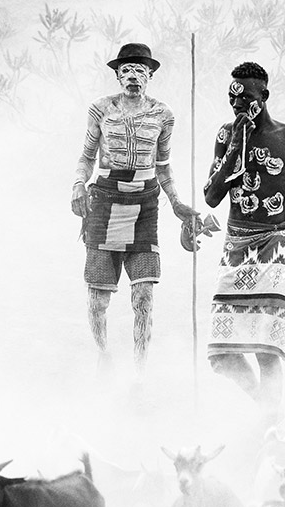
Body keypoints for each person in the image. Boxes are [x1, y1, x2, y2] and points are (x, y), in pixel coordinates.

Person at [72, 43, 199, 374]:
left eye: (140, 71)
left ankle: (139, 375)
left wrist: (177, 203)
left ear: (150, 76)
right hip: (104, 202)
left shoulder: (163, 115)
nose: (132, 77)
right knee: (98, 299)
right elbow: (86, 157)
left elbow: (164, 166)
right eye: (126, 70)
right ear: (117, 75)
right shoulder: (101, 110)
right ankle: (104, 353)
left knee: (143, 297)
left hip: (145, 205)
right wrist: (76, 185)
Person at [202, 62, 285, 411]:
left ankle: (268, 424)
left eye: (246, 98)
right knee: (222, 354)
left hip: (277, 244)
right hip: (236, 245)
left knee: (266, 348)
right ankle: (267, 409)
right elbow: (211, 196)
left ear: (264, 97)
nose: (237, 104)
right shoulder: (226, 136)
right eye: (232, 98)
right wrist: (236, 144)